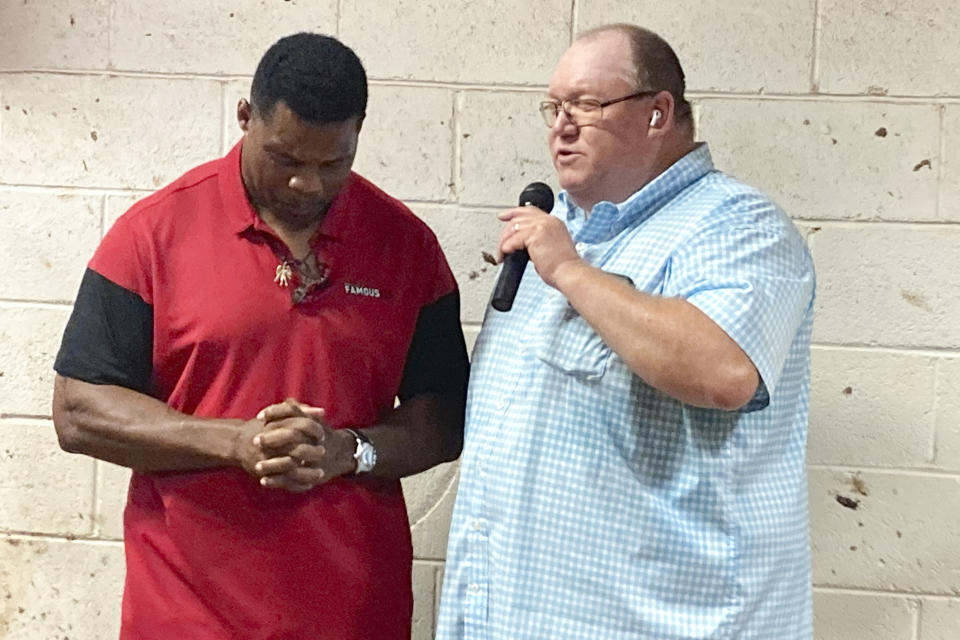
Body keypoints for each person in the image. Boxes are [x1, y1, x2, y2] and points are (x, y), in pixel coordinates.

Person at [52, 32, 468, 640]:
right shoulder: (152, 234)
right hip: (186, 612)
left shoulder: (407, 247)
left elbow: (446, 418)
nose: (308, 184)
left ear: (359, 133)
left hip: (354, 612)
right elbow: (78, 411)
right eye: (286, 159)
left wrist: (351, 451)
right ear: (245, 117)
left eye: (333, 164)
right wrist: (233, 442)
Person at [437, 23, 815, 640]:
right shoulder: (560, 231)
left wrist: (568, 272)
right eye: (553, 107)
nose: (562, 125)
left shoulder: (739, 226)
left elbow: (723, 372)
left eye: (586, 104)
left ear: (658, 113)